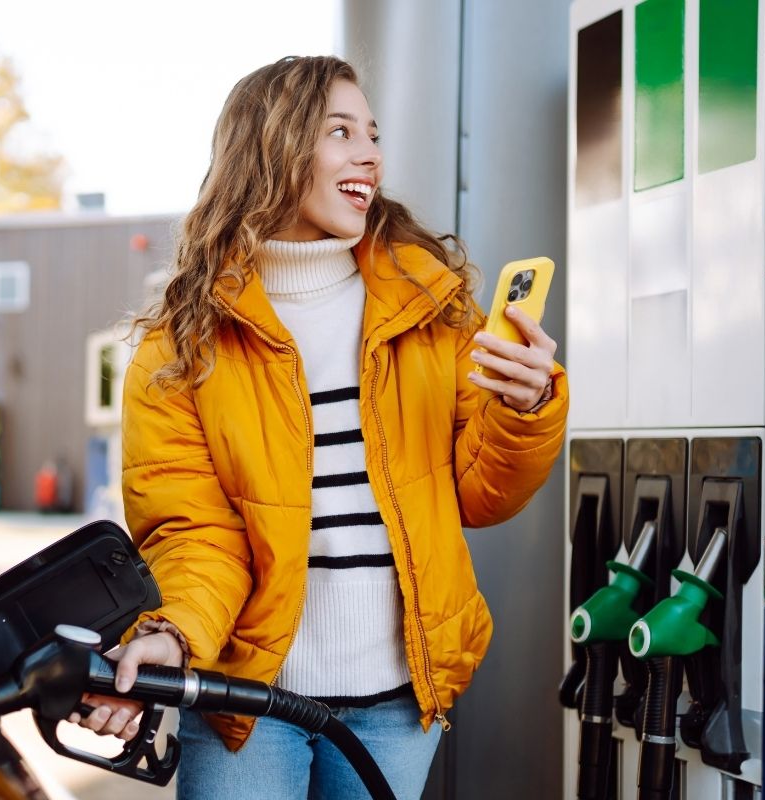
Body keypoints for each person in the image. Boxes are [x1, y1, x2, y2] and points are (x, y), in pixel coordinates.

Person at [72, 55, 568, 799]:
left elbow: (481, 497)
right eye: (340, 131)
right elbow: (193, 534)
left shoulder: (431, 307)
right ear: (272, 148)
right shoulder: (180, 351)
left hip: (399, 702)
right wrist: (170, 633)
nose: (370, 152)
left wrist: (525, 410)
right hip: (246, 699)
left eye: (372, 133)